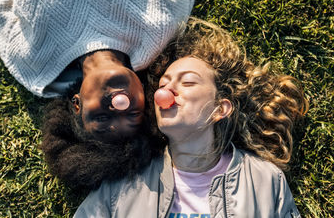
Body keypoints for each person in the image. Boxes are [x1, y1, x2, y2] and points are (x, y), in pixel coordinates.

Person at [0, 0, 195, 188]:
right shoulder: (162, 27)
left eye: (101, 118)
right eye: (132, 115)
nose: (119, 105)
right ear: (145, 99)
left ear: (77, 105)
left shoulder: (30, 59)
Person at [74, 18, 309, 217]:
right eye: (164, 84)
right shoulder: (126, 180)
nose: (166, 91)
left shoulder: (265, 181)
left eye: (187, 82)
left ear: (220, 109)